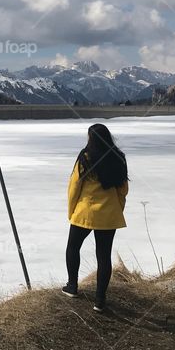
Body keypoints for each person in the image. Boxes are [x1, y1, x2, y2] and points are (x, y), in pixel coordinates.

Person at [62, 123, 128, 313]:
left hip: (85, 212)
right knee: (104, 255)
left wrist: (71, 211)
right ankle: (100, 300)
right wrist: (117, 209)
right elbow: (123, 190)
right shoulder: (118, 158)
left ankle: (72, 286)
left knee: (73, 247)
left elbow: (74, 187)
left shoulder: (85, 158)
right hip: (109, 215)